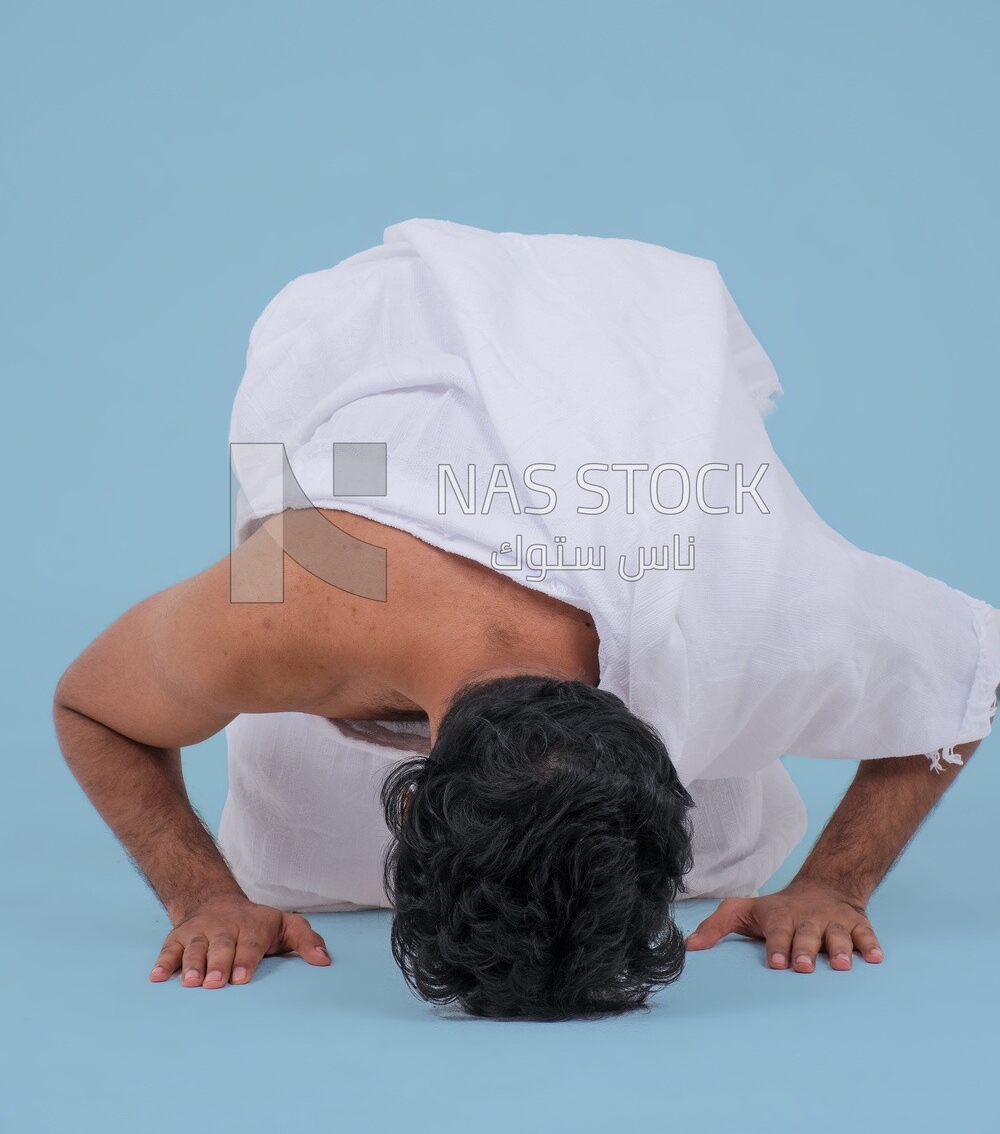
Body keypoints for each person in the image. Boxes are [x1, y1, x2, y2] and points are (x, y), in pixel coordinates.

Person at [53, 219, 1000, 1020]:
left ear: (676, 773)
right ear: (413, 790)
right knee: (284, 504)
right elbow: (93, 707)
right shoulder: (305, 587)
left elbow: (969, 669)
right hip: (375, 379)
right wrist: (202, 893)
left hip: (618, 467)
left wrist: (837, 880)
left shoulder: (754, 607)